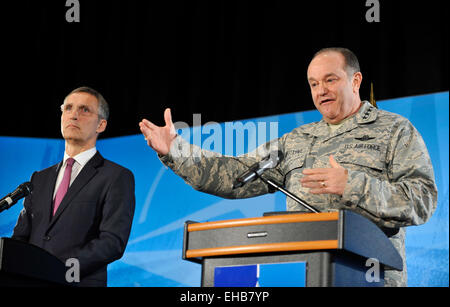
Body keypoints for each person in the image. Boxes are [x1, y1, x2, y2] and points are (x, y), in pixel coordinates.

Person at [139, 48, 437, 287]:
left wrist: (352, 185)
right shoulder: (297, 140)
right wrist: (175, 150)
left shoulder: (395, 130)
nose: (321, 90)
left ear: (355, 81)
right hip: (305, 274)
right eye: (314, 84)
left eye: (330, 80)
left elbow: (422, 200)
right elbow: (235, 175)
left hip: (371, 277)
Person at [13, 87, 135, 287]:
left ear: (101, 125)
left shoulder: (116, 177)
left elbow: (112, 242)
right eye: (68, 108)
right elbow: (20, 237)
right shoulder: (39, 179)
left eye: (84, 110)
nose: (74, 115)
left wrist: (61, 269)